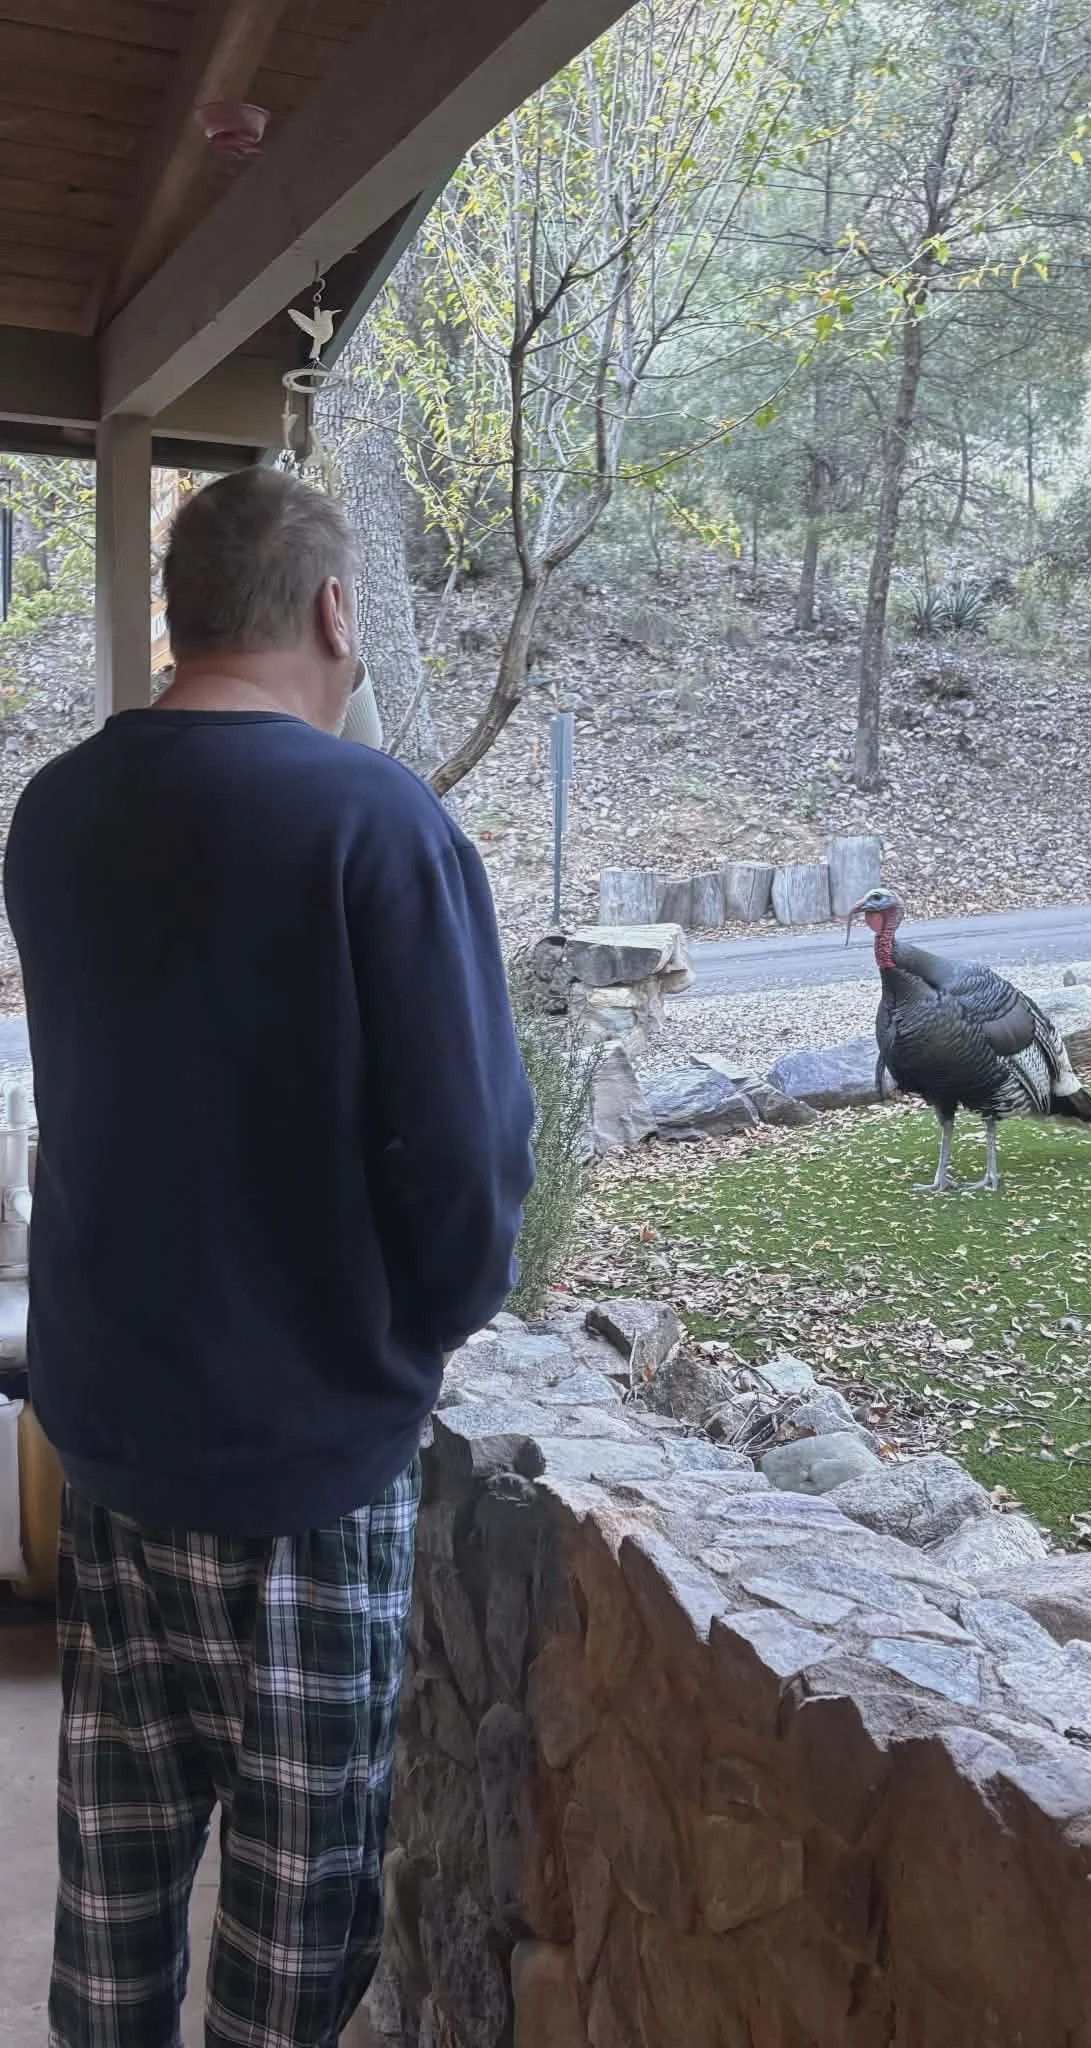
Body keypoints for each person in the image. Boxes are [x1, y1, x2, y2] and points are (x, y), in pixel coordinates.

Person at [4, 467, 535, 2048]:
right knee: (294, 1937)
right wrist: (427, 1331)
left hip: (108, 1451)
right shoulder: (379, 823)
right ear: (329, 611)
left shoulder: (55, 812)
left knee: (114, 1888)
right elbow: (466, 1154)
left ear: (178, 613)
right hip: (307, 1471)